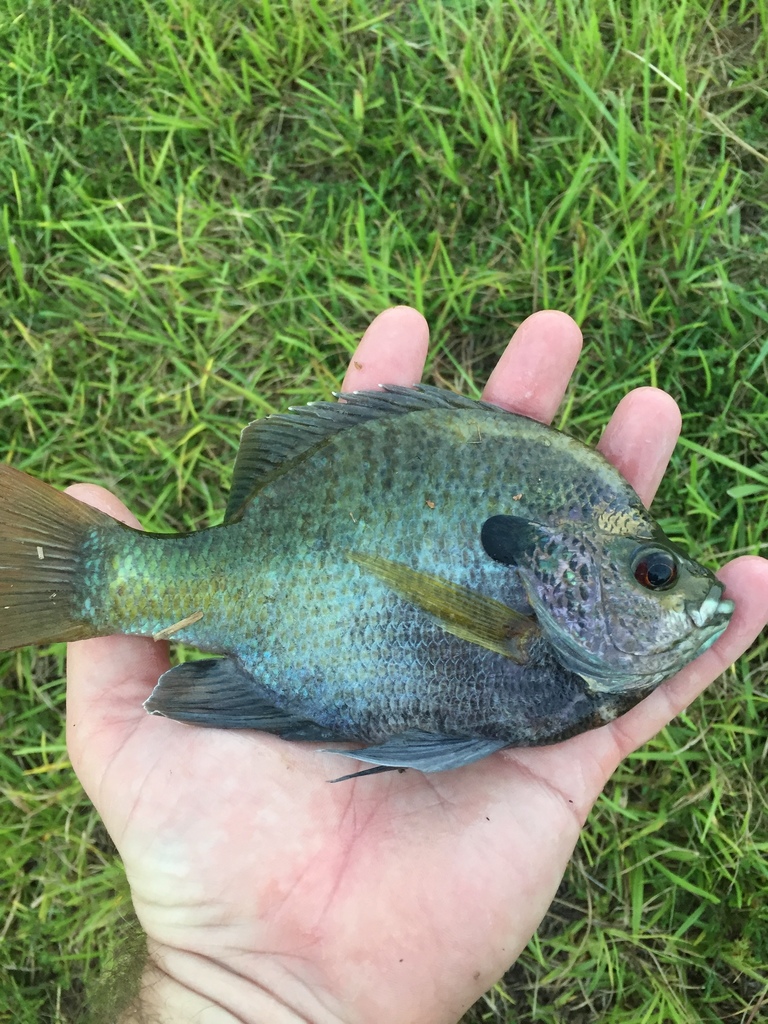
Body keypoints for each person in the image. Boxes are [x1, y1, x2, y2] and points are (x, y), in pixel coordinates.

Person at [65, 307, 768, 1024]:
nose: (687, 598)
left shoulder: (574, 617)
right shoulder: (554, 624)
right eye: (654, 573)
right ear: (558, 563)